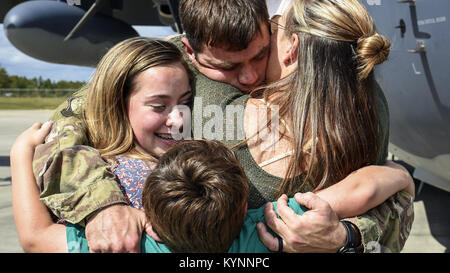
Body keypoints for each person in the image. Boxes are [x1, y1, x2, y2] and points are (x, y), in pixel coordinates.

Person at [31, 0, 413, 253]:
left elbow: (386, 204)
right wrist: (102, 205)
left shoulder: (358, 103)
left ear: (287, 44)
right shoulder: (171, 61)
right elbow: (64, 127)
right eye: (226, 66)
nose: (247, 76)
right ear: (192, 50)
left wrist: (344, 237)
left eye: (260, 54)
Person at [11, 124, 413, 253]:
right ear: (244, 207)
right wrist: (399, 174)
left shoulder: (134, 245)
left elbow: (33, 238)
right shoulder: (270, 228)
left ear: (148, 213)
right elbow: (361, 190)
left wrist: (19, 152)